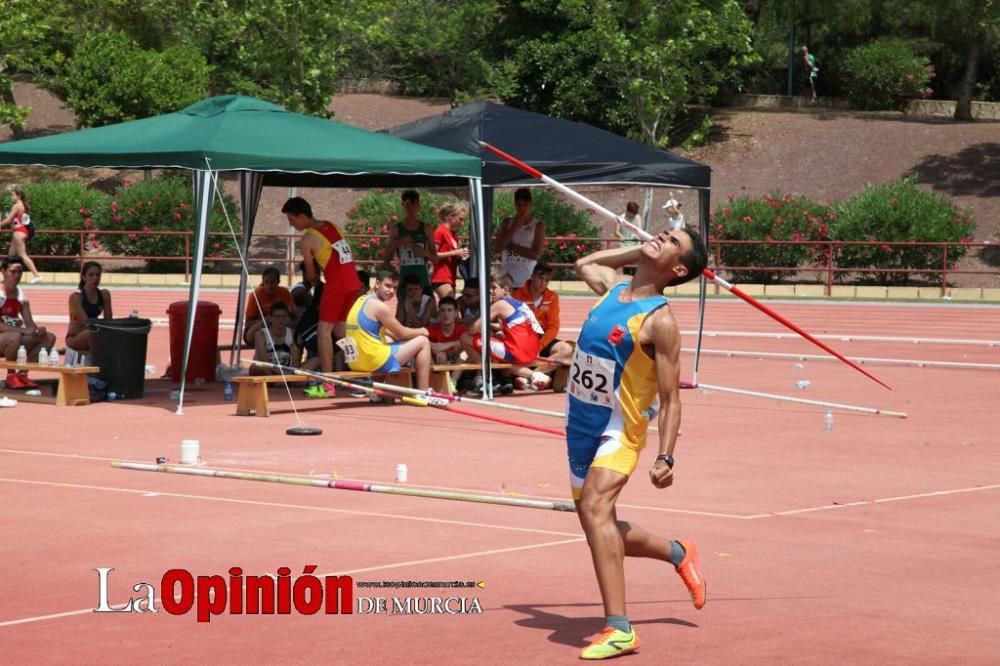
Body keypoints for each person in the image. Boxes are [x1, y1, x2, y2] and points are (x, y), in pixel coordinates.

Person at [567, 227, 709, 659]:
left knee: (595, 509)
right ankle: (678, 552)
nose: (662, 236)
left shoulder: (659, 321)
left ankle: (619, 629)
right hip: (579, 425)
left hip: (619, 427)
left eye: (671, 241)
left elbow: (670, 399)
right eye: (663, 233)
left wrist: (667, 454)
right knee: (599, 525)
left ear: (679, 268)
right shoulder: (611, 288)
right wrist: (646, 250)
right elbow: (585, 263)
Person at [283, 196, 362, 375]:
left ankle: (328, 381)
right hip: (353, 282)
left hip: (336, 285)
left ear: (302, 216)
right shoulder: (331, 225)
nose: (291, 224)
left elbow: (310, 274)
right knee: (341, 330)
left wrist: (314, 282)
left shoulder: (307, 240)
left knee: (324, 331)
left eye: (291, 219)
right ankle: (357, 368)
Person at [342, 268, 431, 390]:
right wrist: (422, 330)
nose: (391, 291)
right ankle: (424, 393)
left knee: (386, 339)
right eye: (388, 286)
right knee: (423, 341)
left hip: (353, 362)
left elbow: (389, 333)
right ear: (377, 284)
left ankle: (378, 392)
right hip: (372, 361)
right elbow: (401, 333)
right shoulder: (380, 306)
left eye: (394, 288)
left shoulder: (360, 300)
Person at [460, 274, 550, 393]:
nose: (490, 292)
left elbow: (473, 329)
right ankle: (522, 377)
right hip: (533, 350)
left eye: (493, 288)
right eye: (489, 288)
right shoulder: (521, 304)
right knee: (498, 338)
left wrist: (473, 318)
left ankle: (486, 377)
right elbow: (530, 327)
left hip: (518, 352)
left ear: (506, 289)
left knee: (465, 337)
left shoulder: (499, 305)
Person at [0, 255, 55, 390]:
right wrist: (23, 331)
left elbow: (30, 324)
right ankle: (11, 376)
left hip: (14, 338)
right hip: (6, 338)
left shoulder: (21, 295)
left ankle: (23, 374)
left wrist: (37, 330)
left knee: (48, 337)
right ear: (3, 271)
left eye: (20, 272)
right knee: (15, 336)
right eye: (13, 272)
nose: (17, 276)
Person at [511, 261, 574, 373]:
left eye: (547, 280)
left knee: (566, 349)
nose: (543, 283)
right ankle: (528, 375)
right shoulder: (516, 295)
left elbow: (553, 327)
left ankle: (535, 375)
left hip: (542, 340)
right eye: (540, 278)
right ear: (532, 276)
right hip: (522, 338)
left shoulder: (552, 297)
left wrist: (539, 346)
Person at [382, 190, 437, 291]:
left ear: (419, 206)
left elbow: (436, 259)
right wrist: (397, 243)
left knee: (430, 305)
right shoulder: (396, 229)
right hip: (404, 281)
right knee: (402, 306)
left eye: (414, 204)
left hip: (422, 281)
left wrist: (425, 253)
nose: (411, 208)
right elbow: (386, 259)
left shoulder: (426, 228)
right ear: (403, 205)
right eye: (408, 205)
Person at [495, 188, 546, 289]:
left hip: (526, 278)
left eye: (525, 205)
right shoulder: (507, 222)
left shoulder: (538, 225)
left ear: (530, 205)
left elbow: (535, 255)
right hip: (506, 277)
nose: (522, 208)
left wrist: (511, 246)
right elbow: (498, 248)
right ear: (515, 205)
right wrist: (514, 227)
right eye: (519, 205)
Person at [66, 261, 114, 353]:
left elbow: (109, 322)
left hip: (96, 332)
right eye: (91, 275)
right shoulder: (76, 297)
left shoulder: (105, 294)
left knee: (114, 334)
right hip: (76, 337)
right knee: (92, 333)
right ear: (84, 277)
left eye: (98, 275)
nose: (95, 278)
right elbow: (88, 323)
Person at [242, 266, 296, 346]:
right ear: (262, 282)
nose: (269, 285)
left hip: (281, 327)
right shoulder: (255, 295)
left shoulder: (285, 292)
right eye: (266, 282)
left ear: (278, 282)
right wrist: (268, 319)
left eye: (272, 282)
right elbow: (248, 324)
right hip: (262, 327)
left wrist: (290, 312)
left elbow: (292, 317)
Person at [430, 200, 470, 299]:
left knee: (451, 308)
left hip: (450, 277)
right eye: (460, 219)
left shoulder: (453, 235)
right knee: (450, 308)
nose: (462, 223)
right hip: (441, 277)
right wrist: (455, 252)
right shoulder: (440, 231)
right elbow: (432, 254)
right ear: (451, 216)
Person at [1, 189, 42, 283]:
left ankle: (37, 276)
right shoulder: (21, 205)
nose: (11, 197)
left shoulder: (17, 206)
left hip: (19, 232)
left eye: (12, 195)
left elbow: (8, 220)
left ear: (18, 196)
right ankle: (4, 277)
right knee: (10, 256)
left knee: (23, 255)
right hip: (19, 232)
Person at [251, 302, 300, 375]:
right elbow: (265, 362)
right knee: (260, 368)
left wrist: (289, 373)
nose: (281, 320)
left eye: (284, 316)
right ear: (270, 318)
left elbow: (296, 362)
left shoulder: (293, 334)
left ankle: (280, 383)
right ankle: (281, 383)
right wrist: (283, 374)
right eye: (277, 316)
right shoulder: (261, 335)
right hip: (267, 369)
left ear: (287, 318)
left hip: (286, 370)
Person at [427, 296, 466, 364]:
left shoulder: (462, 329)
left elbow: (471, 342)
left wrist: (445, 345)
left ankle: (453, 375)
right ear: (438, 313)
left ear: (456, 313)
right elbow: (420, 342)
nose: (446, 314)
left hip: (459, 367)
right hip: (437, 365)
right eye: (442, 310)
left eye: (450, 310)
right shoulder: (431, 329)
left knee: (465, 353)